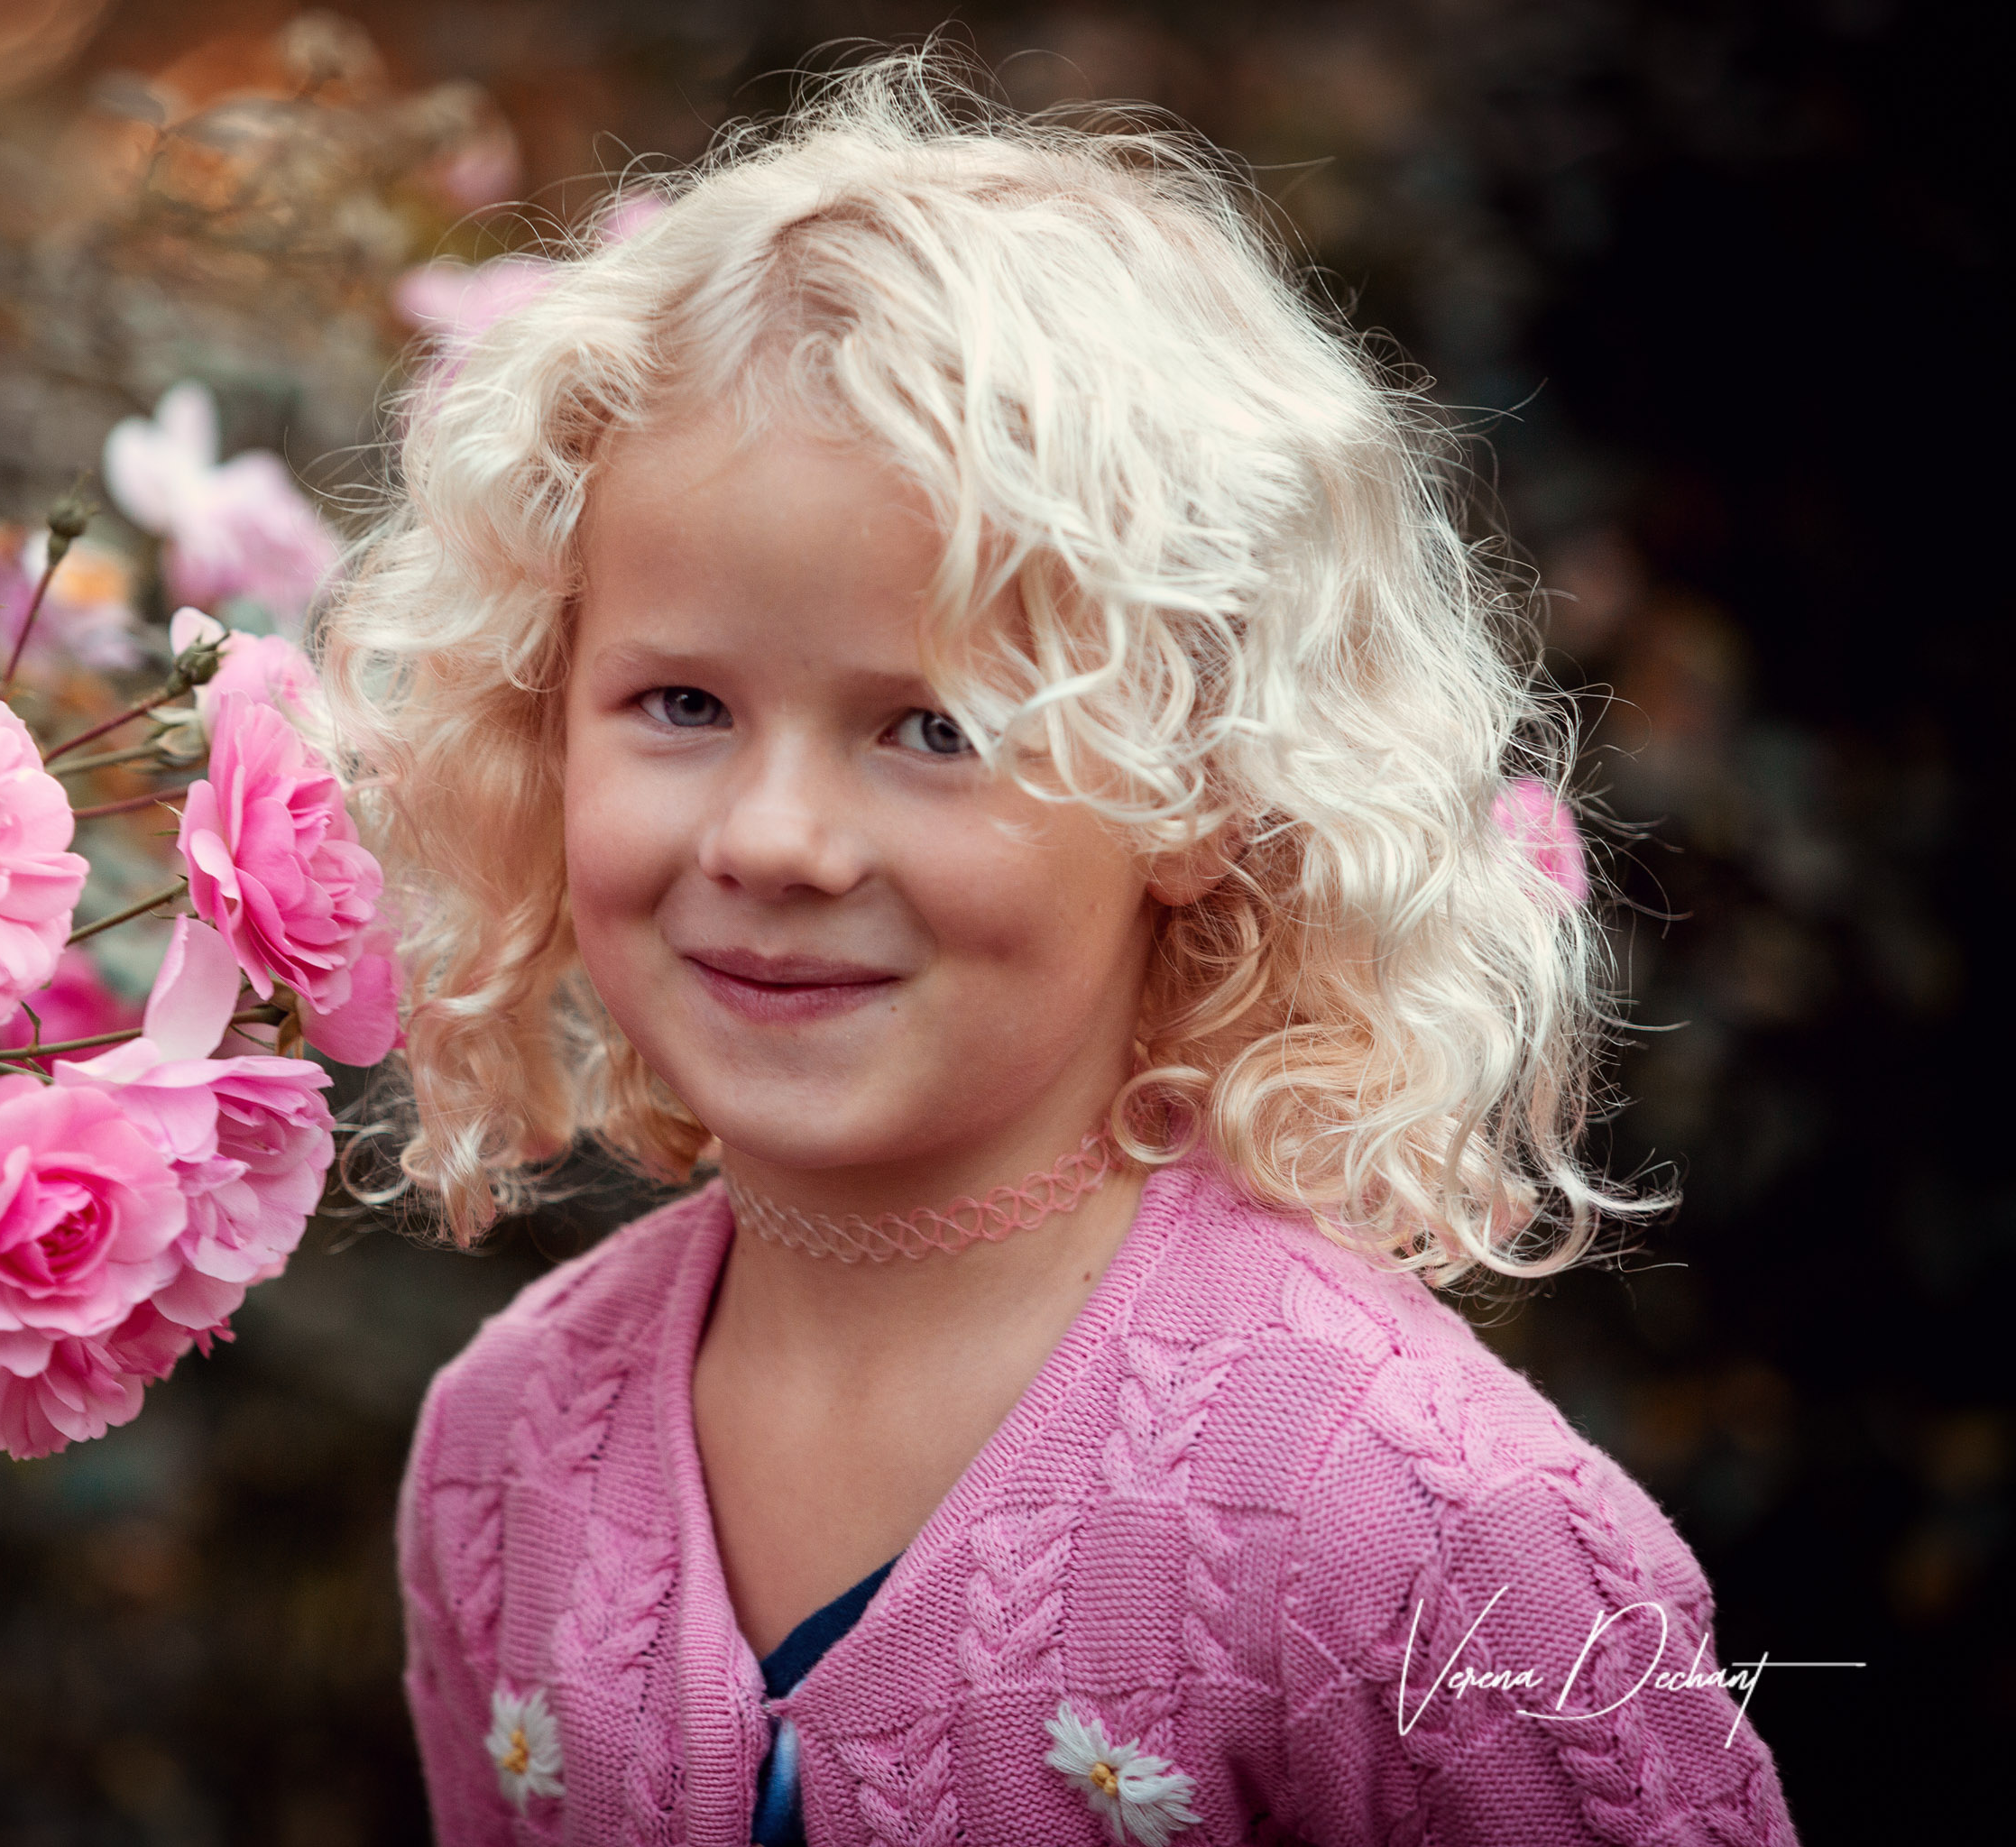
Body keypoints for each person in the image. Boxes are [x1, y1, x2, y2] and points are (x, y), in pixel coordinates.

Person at [324, 52, 1798, 1847]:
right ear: (544, 722)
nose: (774, 838)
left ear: (1194, 782)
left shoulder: (1422, 1532)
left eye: (936, 728)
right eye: (682, 701)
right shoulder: (505, 1456)